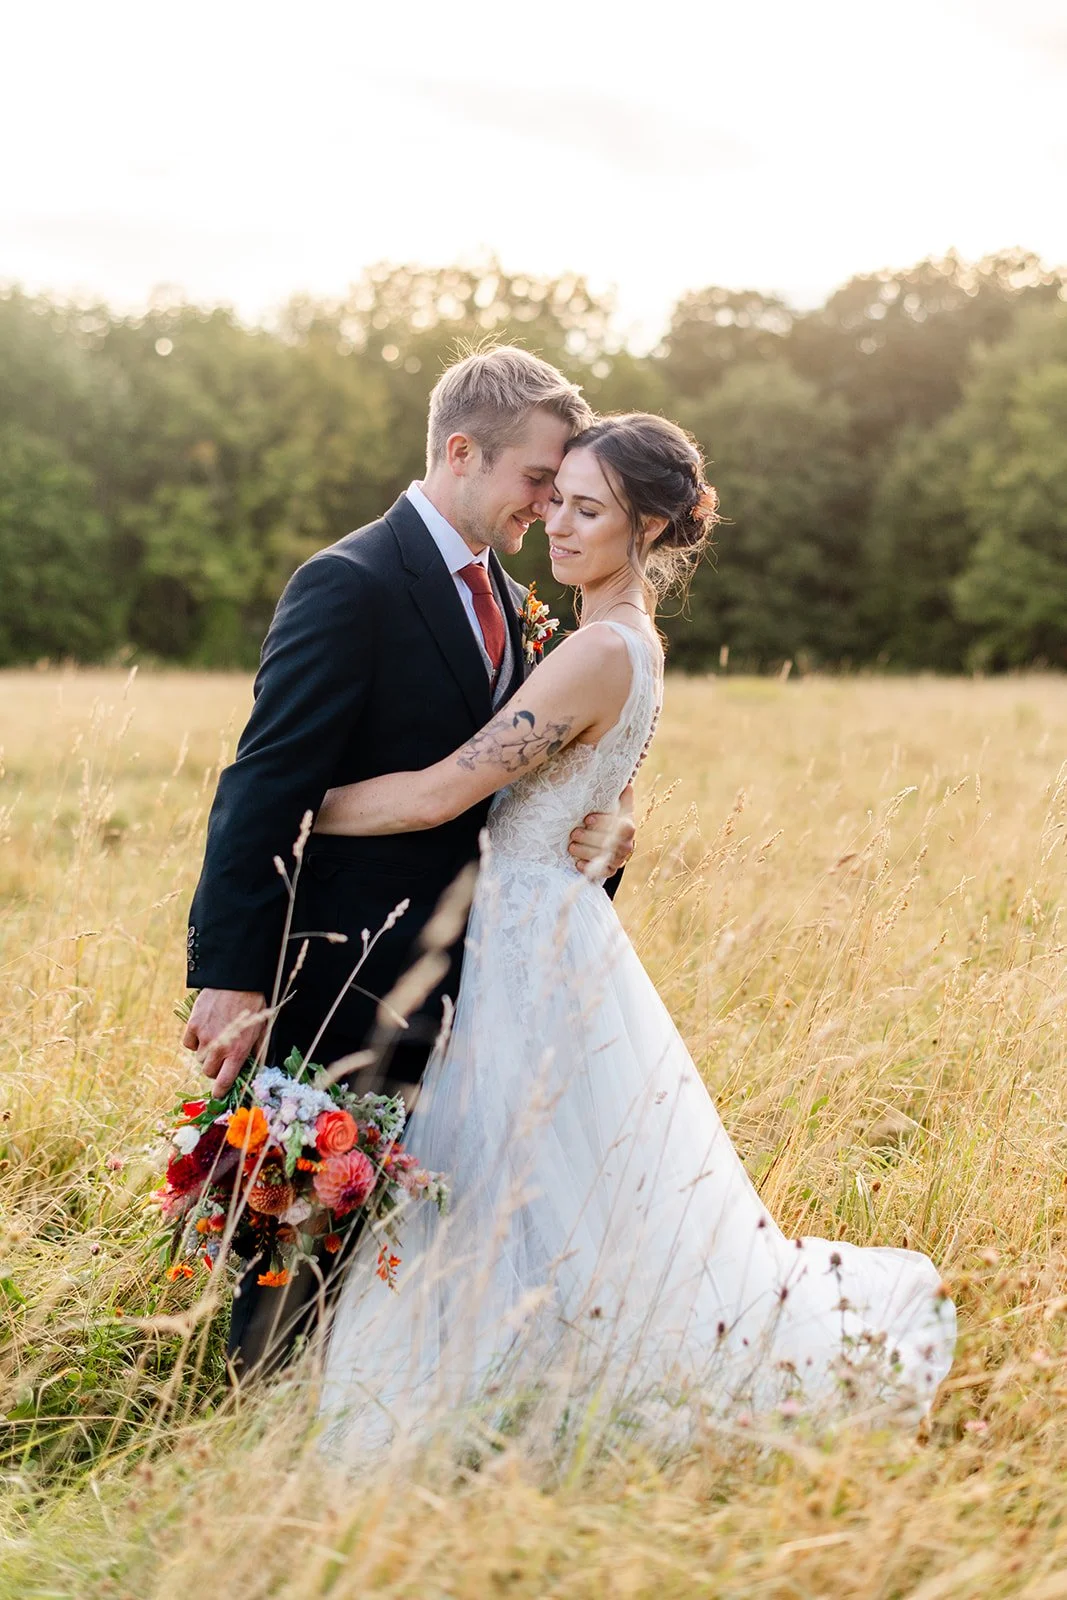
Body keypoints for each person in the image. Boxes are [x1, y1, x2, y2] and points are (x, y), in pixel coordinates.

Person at [314, 414, 957, 1456]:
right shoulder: (622, 639)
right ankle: (519, 1380)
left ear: (646, 524)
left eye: (586, 510)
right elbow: (600, 793)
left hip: (522, 937)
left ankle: (500, 1400)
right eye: (554, 498)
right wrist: (615, 826)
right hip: (545, 927)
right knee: (549, 1183)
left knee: (502, 1174)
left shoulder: (592, 653)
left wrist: (295, 805)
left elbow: (441, 793)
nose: (554, 524)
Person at [181, 347, 636, 1376]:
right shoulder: (350, 582)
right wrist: (230, 973)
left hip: (477, 982)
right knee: (297, 1236)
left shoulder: (507, 600)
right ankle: (259, 1425)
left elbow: (521, 794)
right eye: (535, 481)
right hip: (342, 977)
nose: (545, 507)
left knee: (424, 1229)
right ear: (461, 450)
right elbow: (262, 782)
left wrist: (600, 840)